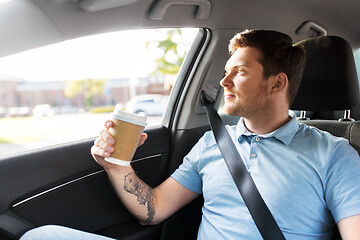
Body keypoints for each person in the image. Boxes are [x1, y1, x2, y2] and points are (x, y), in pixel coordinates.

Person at [20, 29, 360, 239]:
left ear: (277, 83)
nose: (223, 83)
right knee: (41, 235)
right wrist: (115, 165)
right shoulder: (213, 142)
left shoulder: (334, 154)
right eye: (225, 72)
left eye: (238, 73)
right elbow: (152, 209)